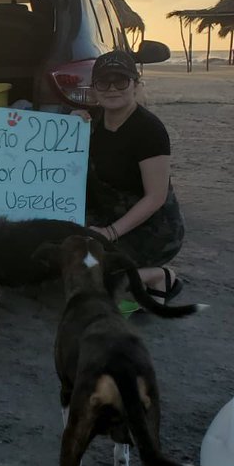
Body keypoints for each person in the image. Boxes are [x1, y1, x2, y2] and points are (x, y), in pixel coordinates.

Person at [83, 49, 185, 302]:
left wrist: (110, 233)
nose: (112, 88)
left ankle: (161, 277)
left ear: (136, 85)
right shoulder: (90, 123)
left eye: (121, 81)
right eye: (103, 82)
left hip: (151, 230)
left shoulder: (149, 130)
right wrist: (71, 127)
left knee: (104, 285)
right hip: (107, 216)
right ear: (94, 89)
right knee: (75, 263)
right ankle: (140, 292)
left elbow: (156, 197)